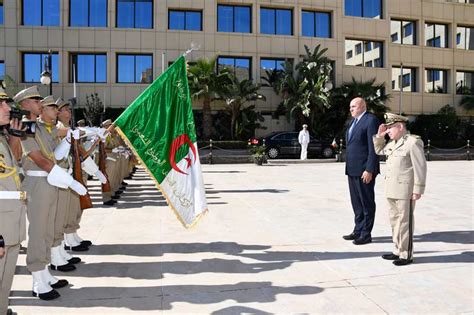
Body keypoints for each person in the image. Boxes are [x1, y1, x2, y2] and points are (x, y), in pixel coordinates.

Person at [15, 87, 86, 300]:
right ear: (25, 105)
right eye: (35, 100)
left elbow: (53, 154)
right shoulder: (26, 128)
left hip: (50, 180)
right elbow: (40, 159)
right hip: (38, 181)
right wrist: (70, 182)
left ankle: (45, 272)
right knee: (38, 231)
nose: (40, 103)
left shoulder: (39, 128)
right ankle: (37, 279)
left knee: (48, 228)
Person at [373, 113, 427, 266]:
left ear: (400, 126)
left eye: (390, 127)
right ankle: (397, 249)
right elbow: (379, 150)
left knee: (404, 222)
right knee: (394, 221)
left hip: (405, 191)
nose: (388, 130)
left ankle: (406, 254)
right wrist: (379, 135)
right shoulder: (392, 143)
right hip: (391, 189)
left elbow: (420, 167)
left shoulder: (412, 142)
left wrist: (418, 189)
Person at [0, 86, 26, 315]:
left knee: (5, 281)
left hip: (10, 221)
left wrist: (15, 138)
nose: (8, 108)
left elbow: (16, 163)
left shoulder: (2, 137)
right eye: (1, 104)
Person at [343, 97, 380, 245]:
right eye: (350, 106)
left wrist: (369, 169)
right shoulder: (353, 122)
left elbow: (374, 148)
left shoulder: (370, 120)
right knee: (356, 203)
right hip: (352, 169)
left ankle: (366, 233)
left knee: (366, 202)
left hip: (364, 170)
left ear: (362, 106)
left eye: (353, 106)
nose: (350, 109)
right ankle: (358, 229)